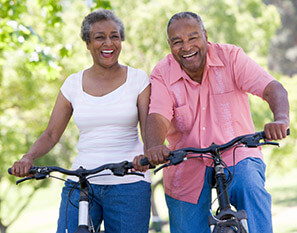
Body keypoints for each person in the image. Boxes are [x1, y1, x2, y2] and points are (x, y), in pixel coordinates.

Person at [133, 11, 289, 233]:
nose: (186, 47)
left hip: (236, 152)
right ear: (170, 45)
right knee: (186, 222)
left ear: (205, 36)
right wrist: (154, 147)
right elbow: (157, 116)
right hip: (186, 160)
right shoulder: (162, 73)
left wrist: (280, 119)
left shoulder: (231, 57)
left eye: (193, 38)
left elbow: (273, 89)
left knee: (250, 187)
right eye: (177, 42)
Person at [11, 9, 151, 233]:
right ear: (87, 43)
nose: (109, 43)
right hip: (82, 180)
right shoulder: (73, 84)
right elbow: (51, 134)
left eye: (114, 36)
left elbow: (149, 130)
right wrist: (28, 157)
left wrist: (148, 153)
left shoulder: (138, 79)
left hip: (129, 182)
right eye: (99, 37)